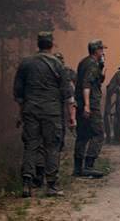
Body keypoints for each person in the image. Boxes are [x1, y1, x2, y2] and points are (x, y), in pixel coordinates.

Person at [13, 31, 75, 198]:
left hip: (30, 110)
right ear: (51, 44)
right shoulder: (57, 64)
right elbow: (67, 92)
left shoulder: (26, 63)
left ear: (38, 43)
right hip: (52, 111)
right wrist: (71, 116)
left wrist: (21, 113)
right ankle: (52, 185)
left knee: (31, 145)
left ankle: (27, 183)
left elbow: (18, 92)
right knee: (52, 147)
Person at [74, 39, 108, 178]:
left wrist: (101, 69)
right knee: (98, 134)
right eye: (101, 49)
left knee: (82, 135)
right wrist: (87, 105)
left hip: (81, 103)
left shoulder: (84, 62)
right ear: (96, 51)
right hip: (90, 104)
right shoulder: (92, 64)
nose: (103, 52)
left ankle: (78, 168)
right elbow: (87, 84)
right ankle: (89, 165)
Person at [103, 57, 120, 146]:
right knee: (119, 120)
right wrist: (118, 88)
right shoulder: (119, 75)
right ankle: (117, 138)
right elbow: (110, 87)